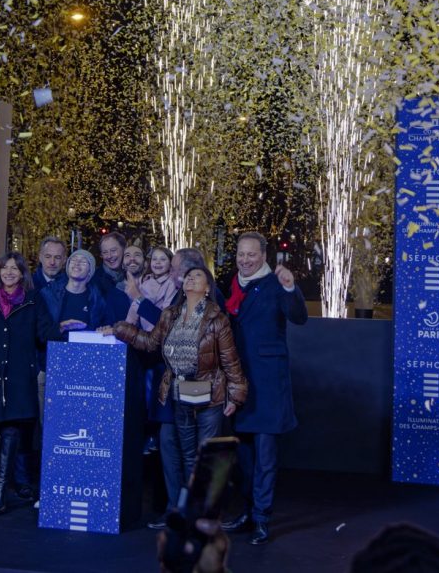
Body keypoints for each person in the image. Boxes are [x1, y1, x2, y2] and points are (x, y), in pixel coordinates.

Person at [104, 266, 247, 518]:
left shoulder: (217, 318)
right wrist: (120, 329)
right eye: (188, 276)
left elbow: (230, 359)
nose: (191, 279)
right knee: (188, 454)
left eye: (197, 276)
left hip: (210, 393)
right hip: (180, 390)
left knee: (207, 456)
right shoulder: (170, 315)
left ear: (207, 288)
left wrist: (235, 394)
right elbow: (150, 343)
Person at [0, 252, 85, 515]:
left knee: (10, 434)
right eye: (5, 268)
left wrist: (61, 329)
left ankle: (0, 494)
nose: (9, 273)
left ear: (22, 274)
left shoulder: (32, 299)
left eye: (14, 269)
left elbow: (44, 333)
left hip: (18, 377)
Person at [220, 231, 307, 545]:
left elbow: (299, 317)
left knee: (266, 457)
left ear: (263, 256)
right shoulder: (232, 285)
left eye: (251, 255)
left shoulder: (274, 284)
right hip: (239, 383)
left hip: (268, 383)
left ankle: (262, 519)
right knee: (244, 456)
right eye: (241, 254)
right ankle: (247, 511)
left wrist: (290, 287)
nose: (245, 260)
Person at [92, 230, 128, 297]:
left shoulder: (134, 275)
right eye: (105, 252)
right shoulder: (94, 280)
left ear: (124, 249)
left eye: (113, 250)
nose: (109, 256)